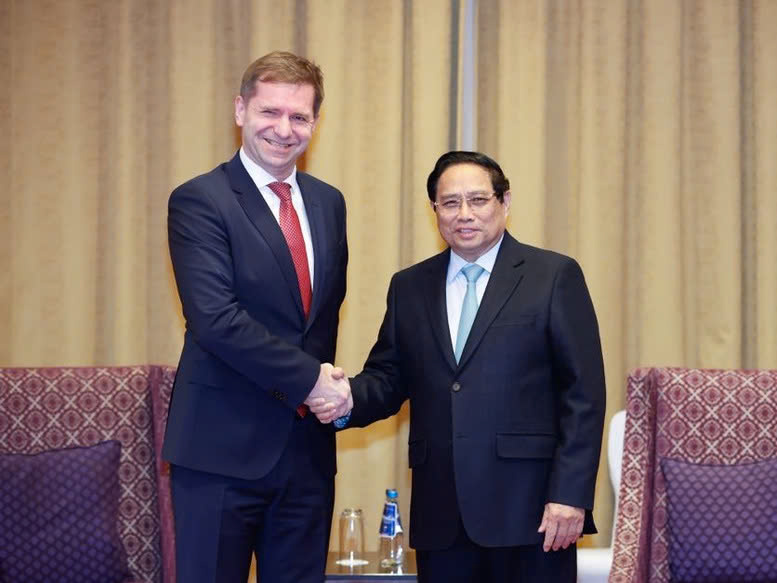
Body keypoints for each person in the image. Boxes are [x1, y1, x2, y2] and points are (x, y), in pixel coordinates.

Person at [320, 151, 606, 582]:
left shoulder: (553, 276)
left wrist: (570, 494)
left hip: (532, 515)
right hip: (442, 515)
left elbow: (583, 395)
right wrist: (338, 399)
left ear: (505, 202)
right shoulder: (410, 286)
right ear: (434, 209)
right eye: (450, 203)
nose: (464, 214)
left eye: (478, 200)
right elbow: (388, 379)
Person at [162, 51, 351, 583]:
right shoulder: (200, 200)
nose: (283, 129)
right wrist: (312, 380)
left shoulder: (329, 203)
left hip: (306, 456)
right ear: (240, 110)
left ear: (315, 122)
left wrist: (328, 391)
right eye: (270, 112)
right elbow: (215, 319)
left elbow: (319, 320)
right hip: (219, 454)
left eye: (299, 117)